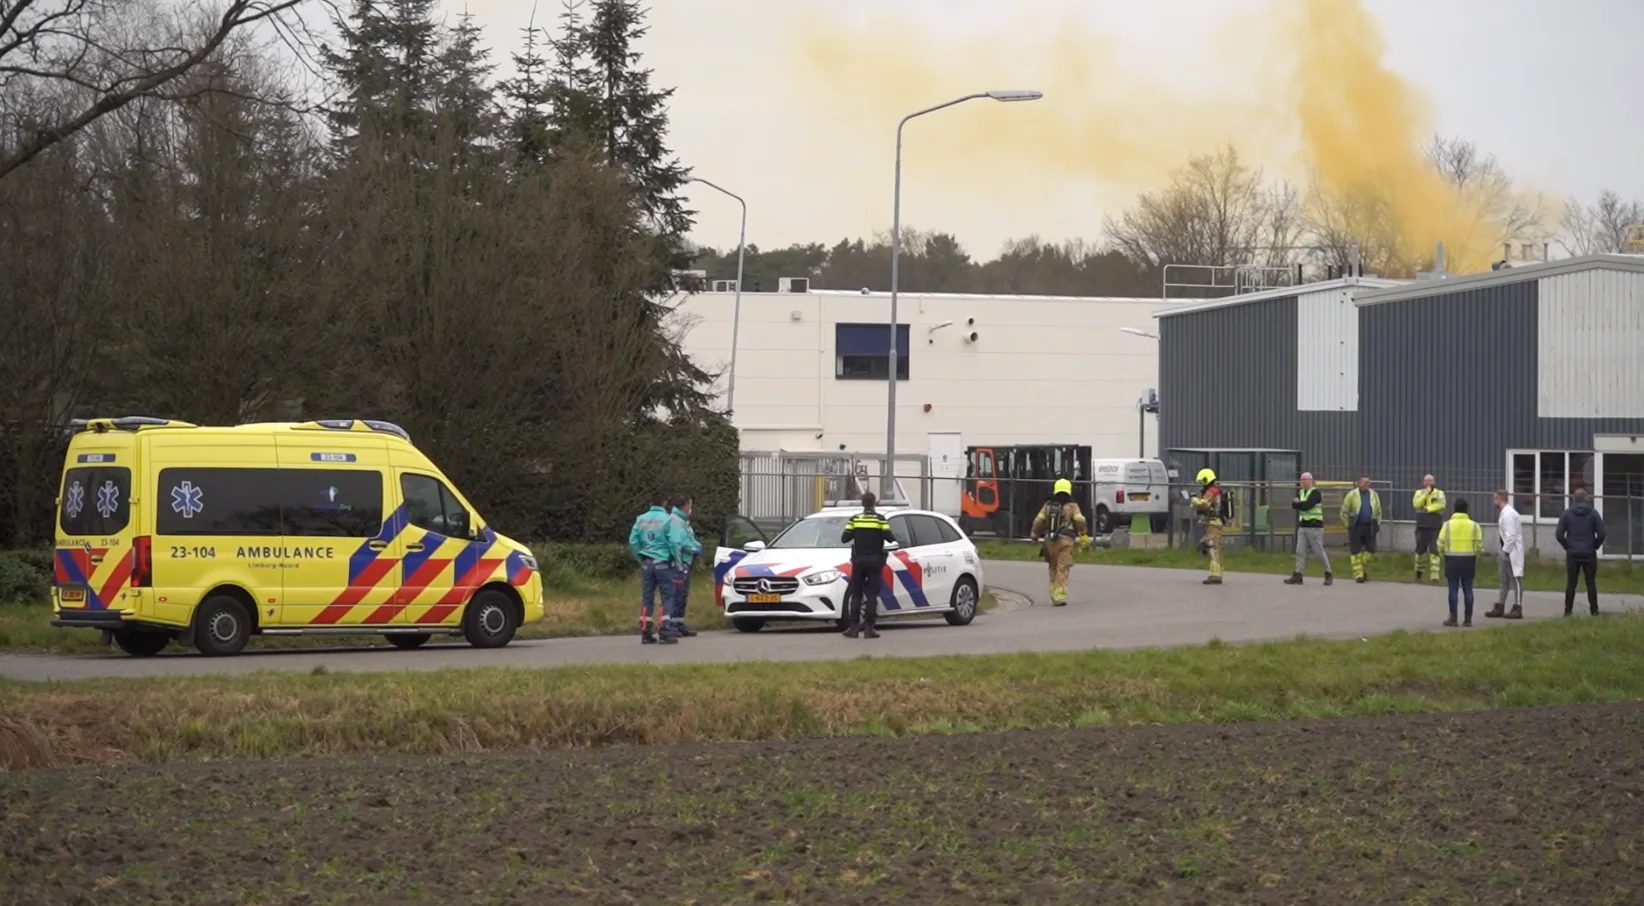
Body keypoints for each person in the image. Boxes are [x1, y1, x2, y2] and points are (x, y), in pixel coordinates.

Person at [628, 493, 684, 644]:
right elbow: (674, 543)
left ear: (651, 503)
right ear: (665, 503)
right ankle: (664, 630)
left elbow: (633, 541)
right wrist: (678, 563)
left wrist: (641, 559)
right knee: (667, 596)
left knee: (647, 598)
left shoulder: (641, 519)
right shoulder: (668, 519)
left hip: (647, 563)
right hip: (664, 563)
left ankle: (646, 631)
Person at [1028, 477, 1090, 605]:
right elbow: (1080, 520)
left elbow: (1038, 521)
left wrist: (1034, 535)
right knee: (1063, 569)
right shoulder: (1072, 506)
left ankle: (1053, 592)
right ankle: (1059, 596)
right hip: (1065, 542)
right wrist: (1083, 534)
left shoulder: (1048, 505)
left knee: (1053, 567)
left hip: (1049, 542)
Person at [840, 492, 892, 639]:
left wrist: (858, 534)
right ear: (874, 503)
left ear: (862, 503)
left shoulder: (855, 519)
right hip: (876, 561)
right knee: (872, 595)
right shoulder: (880, 520)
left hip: (859, 561)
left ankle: (854, 628)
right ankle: (869, 629)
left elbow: (844, 538)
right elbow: (890, 538)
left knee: (856, 594)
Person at [1555, 488, 1607, 616]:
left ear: (1573, 499)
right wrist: (1595, 545)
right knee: (1590, 582)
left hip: (1573, 553)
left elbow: (1559, 534)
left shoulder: (1567, 513)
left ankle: (1568, 611)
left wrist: (1568, 546)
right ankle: (1594, 610)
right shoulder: (1593, 513)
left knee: (1571, 582)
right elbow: (1602, 533)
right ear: (1586, 498)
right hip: (1589, 552)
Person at [1437, 497, 1484, 627]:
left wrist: (1443, 555)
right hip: (1469, 560)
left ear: (1454, 509)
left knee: (1453, 589)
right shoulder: (1474, 526)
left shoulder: (1447, 525)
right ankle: (1468, 619)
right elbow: (1479, 545)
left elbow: (1440, 543)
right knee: (1468, 589)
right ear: (1466, 510)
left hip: (1451, 559)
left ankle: (1453, 618)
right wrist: (1476, 556)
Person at [1284, 472, 1332, 585]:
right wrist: (1300, 504)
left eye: (1305, 480)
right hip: (1303, 526)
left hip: (1314, 527)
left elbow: (1307, 505)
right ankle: (1297, 575)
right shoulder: (1300, 492)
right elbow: (1294, 505)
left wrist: (1299, 503)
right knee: (1300, 552)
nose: (1303, 482)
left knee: (1318, 552)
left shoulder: (1316, 493)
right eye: (1302, 480)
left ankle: (1328, 573)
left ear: (1311, 481)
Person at [667, 494, 703, 638]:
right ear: (684, 506)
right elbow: (677, 543)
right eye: (690, 505)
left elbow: (688, 538)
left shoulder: (682, 521)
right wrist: (680, 564)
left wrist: (696, 546)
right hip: (680, 564)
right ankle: (672, 625)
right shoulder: (676, 521)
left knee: (682, 595)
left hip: (685, 562)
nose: (691, 509)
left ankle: (679, 623)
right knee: (676, 595)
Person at [1485, 489, 1524, 620]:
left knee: (1515, 579)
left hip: (1510, 552)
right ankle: (1500, 605)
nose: (1493, 501)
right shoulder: (1505, 513)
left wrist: (1505, 551)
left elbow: (1511, 535)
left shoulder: (1509, 514)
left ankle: (1518, 607)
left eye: (1495, 498)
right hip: (1505, 550)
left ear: (1500, 498)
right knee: (1504, 579)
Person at [1188, 468, 1230, 585]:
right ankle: (1216, 573)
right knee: (1212, 546)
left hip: (1213, 522)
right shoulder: (1214, 490)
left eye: (1202, 481)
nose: (1201, 484)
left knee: (1212, 546)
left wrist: (1194, 499)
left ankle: (1215, 575)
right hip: (1212, 522)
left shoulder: (1212, 491)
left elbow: (1204, 504)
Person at [1339, 475, 1381, 584]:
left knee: (1371, 549)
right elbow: (1344, 511)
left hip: (1370, 526)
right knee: (1355, 551)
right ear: (1359, 484)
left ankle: (1362, 569)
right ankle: (1359, 575)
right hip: (1356, 526)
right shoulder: (1352, 495)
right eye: (1365, 482)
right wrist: (1348, 525)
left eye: (1369, 483)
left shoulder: (1374, 495)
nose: (1368, 484)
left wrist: (1377, 523)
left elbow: (1379, 510)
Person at [1412, 474, 1448, 583]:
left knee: (1435, 550)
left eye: (1430, 481)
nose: (1427, 483)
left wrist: (1428, 508)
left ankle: (1434, 577)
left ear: (1433, 482)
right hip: (1422, 525)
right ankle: (1418, 574)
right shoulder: (1418, 493)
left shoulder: (1439, 493)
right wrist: (1425, 494)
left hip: (1435, 525)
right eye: (1426, 481)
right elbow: (1416, 505)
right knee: (1420, 551)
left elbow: (1441, 505)